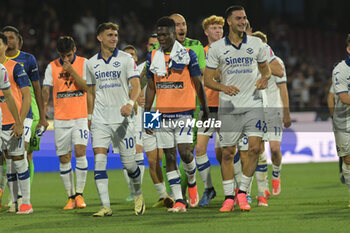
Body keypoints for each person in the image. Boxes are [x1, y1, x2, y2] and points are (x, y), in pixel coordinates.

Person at [204, 5, 271, 212]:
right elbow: (207, 79)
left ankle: (242, 193)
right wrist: (223, 87)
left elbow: (266, 69)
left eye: (244, 18)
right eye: (238, 18)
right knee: (227, 153)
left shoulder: (256, 43)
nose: (243, 21)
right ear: (229, 22)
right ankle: (228, 197)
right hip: (229, 106)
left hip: (253, 104)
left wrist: (265, 78)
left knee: (254, 149)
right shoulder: (217, 48)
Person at [145, 16, 209, 212]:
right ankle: (180, 201)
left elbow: (198, 83)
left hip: (184, 113)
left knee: (185, 152)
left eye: (166, 34)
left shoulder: (188, 54)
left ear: (174, 34)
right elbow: (151, 87)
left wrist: (205, 109)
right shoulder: (152, 57)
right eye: (160, 34)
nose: (162, 38)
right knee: (169, 156)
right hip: (161, 113)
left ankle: (191, 181)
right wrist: (147, 117)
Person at [86, 22, 143, 216]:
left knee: (129, 165)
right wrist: (90, 116)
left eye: (116, 35)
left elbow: (136, 86)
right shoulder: (91, 62)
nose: (114, 38)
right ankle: (106, 206)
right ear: (99, 37)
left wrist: (130, 102)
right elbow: (91, 92)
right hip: (101, 119)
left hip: (122, 119)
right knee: (99, 161)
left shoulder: (127, 59)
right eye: (109, 35)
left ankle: (138, 194)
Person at [42, 36, 89, 210]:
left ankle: (79, 195)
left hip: (80, 116)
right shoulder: (52, 66)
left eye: (69, 55)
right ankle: (70, 197)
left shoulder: (84, 63)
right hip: (61, 119)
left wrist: (72, 71)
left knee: (80, 152)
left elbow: (86, 87)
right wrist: (44, 107)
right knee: (64, 158)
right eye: (63, 56)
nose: (66, 59)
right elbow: (46, 88)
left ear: (75, 49)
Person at [2, 26, 49, 186]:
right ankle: (11, 195)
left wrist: (42, 117)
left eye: (11, 37)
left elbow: (36, 89)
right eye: (5, 37)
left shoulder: (27, 60)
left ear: (18, 40)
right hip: (5, 114)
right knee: (7, 156)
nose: (8, 40)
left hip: (28, 113)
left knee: (26, 152)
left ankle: (24, 193)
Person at [194, 15, 225, 206]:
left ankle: (239, 190)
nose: (218, 31)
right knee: (199, 149)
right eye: (214, 28)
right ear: (206, 32)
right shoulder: (201, 52)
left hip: (227, 107)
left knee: (226, 152)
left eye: (220, 28)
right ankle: (209, 188)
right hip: (207, 108)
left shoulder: (229, 52)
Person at [0, 32, 32, 214]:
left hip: (11, 122)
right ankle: (13, 201)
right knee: (3, 162)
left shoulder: (15, 68)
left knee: (18, 160)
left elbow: (26, 95)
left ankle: (25, 202)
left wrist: (19, 121)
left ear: (5, 46)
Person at [122, 45, 145, 202]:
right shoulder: (120, 73)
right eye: (126, 54)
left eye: (132, 54)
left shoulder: (143, 69)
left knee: (148, 152)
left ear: (136, 58)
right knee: (129, 153)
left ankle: (165, 192)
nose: (130, 56)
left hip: (145, 114)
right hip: (127, 116)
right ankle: (134, 190)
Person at [0, 62, 24, 208]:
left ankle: (22, 199)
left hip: (3, 120)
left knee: (11, 157)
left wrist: (18, 121)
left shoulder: (1, 69)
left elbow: (8, 96)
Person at [331, 33, 350, 208]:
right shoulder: (340, 70)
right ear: (349, 49)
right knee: (348, 159)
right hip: (344, 121)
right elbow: (344, 98)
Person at [327, 82, 345, 184]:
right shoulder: (339, 78)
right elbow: (330, 97)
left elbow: (330, 97)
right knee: (343, 146)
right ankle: (343, 172)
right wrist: (333, 116)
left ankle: (343, 172)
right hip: (342, 118)